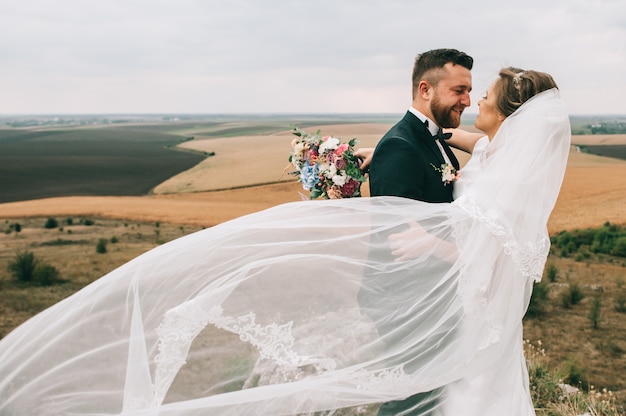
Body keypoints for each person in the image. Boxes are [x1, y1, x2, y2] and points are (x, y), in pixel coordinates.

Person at [0, 67, 570, 416]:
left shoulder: (507, 181)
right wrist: (388, 150)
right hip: (462, 308)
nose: (478, 103)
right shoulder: (497, 153)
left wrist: (433, 247)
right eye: (470, 92)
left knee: (460, 397)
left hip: (466, 308)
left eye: (487, 96)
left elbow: (499, 249)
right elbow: (463, 140)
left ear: (512, 116)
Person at [368, 48, 472, 203]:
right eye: (458, 91)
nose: (467, 102)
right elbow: (395, 223)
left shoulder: (434, 137)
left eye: (468, 91)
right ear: (425, 90)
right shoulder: (397, 147)